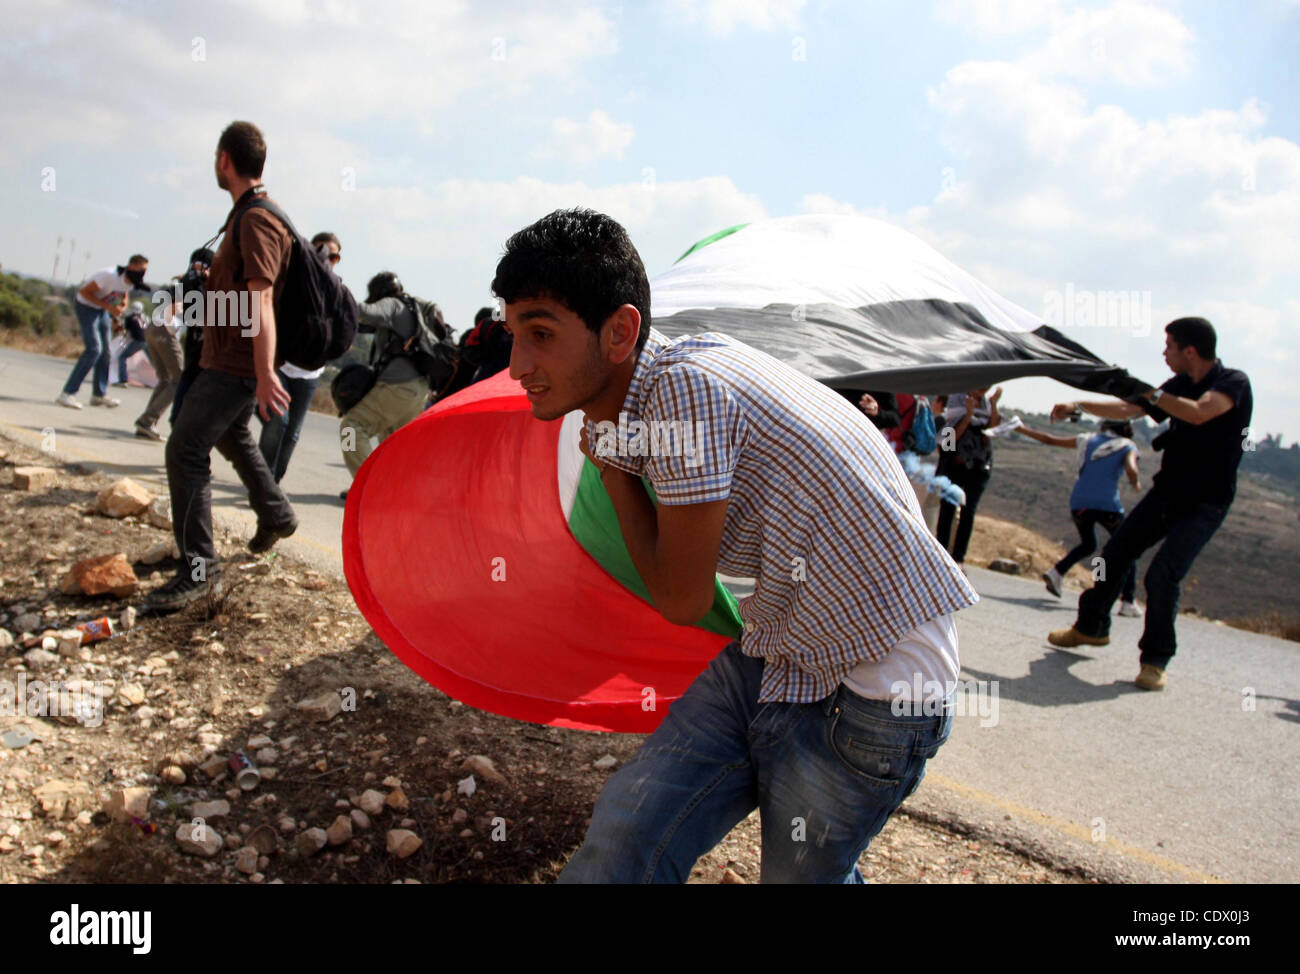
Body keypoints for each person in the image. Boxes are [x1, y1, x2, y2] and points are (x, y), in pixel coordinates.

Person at [493, 208, 977, 884]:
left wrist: (612, 468)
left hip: (875, 687)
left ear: (620, 331)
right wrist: (616, 455)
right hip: (783, 652)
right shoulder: (666, 382)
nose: (518, 365)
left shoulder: (685, 393)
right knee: (627, 829)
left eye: (540, 334)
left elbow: (683, 599)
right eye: (513, 333)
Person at [142, 120, 297, 614]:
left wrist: (264, 370)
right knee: (234, 439)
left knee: (185, 449)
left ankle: (198, 573)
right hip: (228, 360)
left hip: (235, 366)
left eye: (215, 157)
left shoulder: (257, 220)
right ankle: (276, 514)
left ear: (224, 159)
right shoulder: (246, 216)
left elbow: (263, 300)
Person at [1047, 318, 1252, 692]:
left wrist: (1150, 394)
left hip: (1206, 503)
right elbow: (1129, 410)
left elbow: (1198, 412)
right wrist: (1077, 403)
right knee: (1113, 555)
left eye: (1169, 346)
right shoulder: (1177, 385)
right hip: (1168, 492)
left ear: (1189, 351)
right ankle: (1090, 628)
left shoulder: (1232, 383)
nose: (1164, 353)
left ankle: (1155, 660)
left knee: (1162, 575)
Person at [1016, 419, 1142, 615]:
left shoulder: (1086, 439)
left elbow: (1050, 439)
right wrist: (1135, 481)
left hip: (1079, 502)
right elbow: (1131, 468)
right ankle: (1128, 601)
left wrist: (1020, 428)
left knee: (1089, 544)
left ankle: (1056, 572)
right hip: (1108, 505)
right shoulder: (1127, 445)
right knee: (1129, 548)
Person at [337, 271, 435, 498]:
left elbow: (364, 312)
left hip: (397, 388)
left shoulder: (391, 304)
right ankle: (393, 494)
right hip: (418, 390)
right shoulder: (413, 308)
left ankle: (368, 486)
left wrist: (338, 291)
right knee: (391, 443)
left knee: (351, 427)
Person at [257, 231, 341, 482]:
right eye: (320, 251)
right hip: (280, 365)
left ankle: (273, 482)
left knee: (292, 432)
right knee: (277, 422)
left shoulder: (337, 289)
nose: (326, 258)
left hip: (310, 372)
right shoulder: (290, 279)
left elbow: (343, 330)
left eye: (333, 255)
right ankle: (261, 481)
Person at [57, 255, 148, 409]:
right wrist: (107, 307)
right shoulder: (108, 275)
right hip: (86, 307)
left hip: (101, 311)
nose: (143, 273)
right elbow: (84, 292)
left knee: (106, 353)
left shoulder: (129, 281)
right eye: (142, 269)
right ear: (131, 266)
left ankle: (99, 395)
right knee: (94, 349)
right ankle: (67, 394)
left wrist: (121, 306)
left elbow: (123, 294)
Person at [934, 387, 1001, 569]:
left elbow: (991, 433)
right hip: (954, 463)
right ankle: (940, 554)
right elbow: (948, 442)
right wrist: (968, 415)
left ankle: (959, 558)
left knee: (968, 510)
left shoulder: (986, 403)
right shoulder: (955, 400)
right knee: (947, 508)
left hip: (979, 464)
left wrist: (994, 406)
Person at [169, 247, 215, 425]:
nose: (197, 273)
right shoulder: (188, 285)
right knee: (177, 419)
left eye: (202, 268)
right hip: (194, 357)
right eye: (193, 268)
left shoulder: (223, 287)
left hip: (214, 365)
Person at [133, 290, 185, 441]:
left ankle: (146, 425)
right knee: (179, 380)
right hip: (165, 329)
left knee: (165, 379)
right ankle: (147, 420)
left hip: (153, 327)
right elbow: (177, 303)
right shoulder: (196, 289)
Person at [113, 301, 149, 387]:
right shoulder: (145, 317)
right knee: (153, 361)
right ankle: (161, 380)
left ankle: (123, 380)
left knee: (122, 357)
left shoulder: (129, 318)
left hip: (138, 341)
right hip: (148, 341)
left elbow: (126, 332)